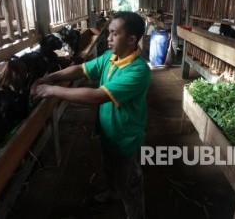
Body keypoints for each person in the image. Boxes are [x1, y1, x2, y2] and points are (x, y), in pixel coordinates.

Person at [30, 11, 151, 219]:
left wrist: (53, 90)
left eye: (114, 33)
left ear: (131, 39)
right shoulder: (110, 57)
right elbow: (80, 69)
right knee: (110, 169)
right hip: (108, 132)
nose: (108, 37)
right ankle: (113, 193)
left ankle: (135, 213)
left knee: (129, 182)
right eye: (109, 33)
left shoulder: (138, 71)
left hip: (125, 137)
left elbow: (96, 96)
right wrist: (50, 77)